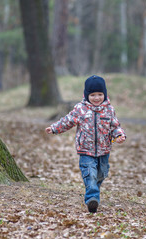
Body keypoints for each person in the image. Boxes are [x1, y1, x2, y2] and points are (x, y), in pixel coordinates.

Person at [45, 75, 126, 213]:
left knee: (101, 174)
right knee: (90, 174)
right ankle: (92, 199)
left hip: (104, 150)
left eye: (100, 94)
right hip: (85, 150)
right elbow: (67, 121)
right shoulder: (80, 109)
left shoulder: (109, 110)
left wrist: (119, 134)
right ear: (86, 95)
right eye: (93, 95)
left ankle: (93, 189)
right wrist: (54, 128)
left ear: (105, 94)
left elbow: (114, 126)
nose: (96, 98)